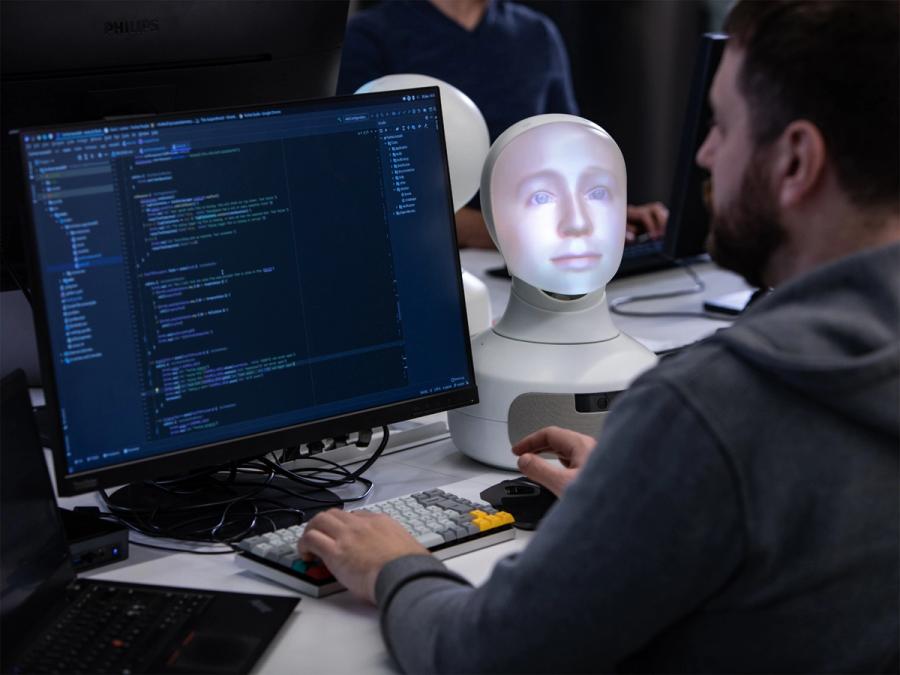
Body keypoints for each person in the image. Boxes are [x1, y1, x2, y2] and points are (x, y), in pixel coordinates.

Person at [300, 1, 900, 671]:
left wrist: (396, 564)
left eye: (722, 125)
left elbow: (477, 655)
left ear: (795, 161)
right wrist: (641, 492)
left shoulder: (710, 411)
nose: (703, 151)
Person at [337, 0, 669, 249]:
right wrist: (511, 232)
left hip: (538, 252)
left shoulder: (537, 34)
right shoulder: (369, 39)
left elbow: (571, 155)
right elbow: (369, 191)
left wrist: (604, 212)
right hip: (442, 263)